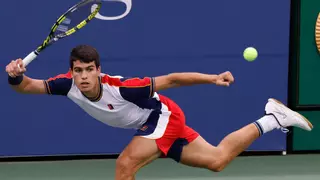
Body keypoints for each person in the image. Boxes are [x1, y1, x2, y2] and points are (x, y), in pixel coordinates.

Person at [6, 45, 313, 180]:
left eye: (89, 70)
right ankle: (273, 118)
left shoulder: (125, 88)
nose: (83, 76)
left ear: (99, 71)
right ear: (70, 72)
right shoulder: (66, 85)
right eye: (78, 71)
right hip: (152, 126)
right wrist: (15, 75)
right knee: (217, 160)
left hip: (163, 117)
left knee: (125, 165)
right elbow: (26, 86)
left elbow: (172, 79)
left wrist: (212, 77)